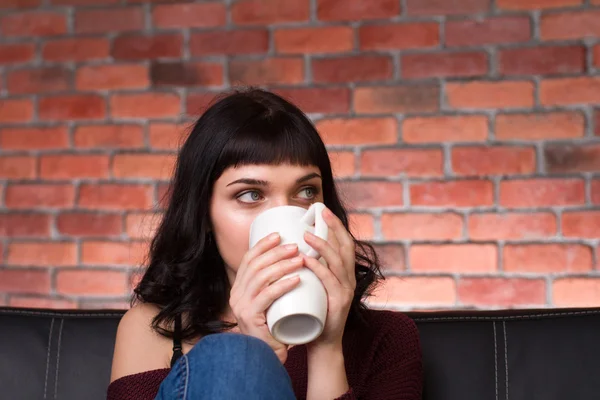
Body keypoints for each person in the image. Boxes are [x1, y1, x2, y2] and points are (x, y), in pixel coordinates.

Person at [107, 88, 423, 400]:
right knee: (232, 358)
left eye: (307, 192)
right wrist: (254, 355)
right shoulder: (153, 330)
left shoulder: (388, 338)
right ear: (204, 214)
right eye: (250, 195)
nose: (284, 214)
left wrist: (326, 349)